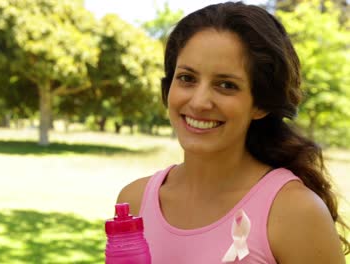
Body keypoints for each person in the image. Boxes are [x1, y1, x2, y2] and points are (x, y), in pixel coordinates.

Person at [117, 2, 349, 263]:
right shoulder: (133, 202)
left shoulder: (294, 212)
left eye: (226, 85)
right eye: (187, 78)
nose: (199, 102)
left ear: (260, 104)